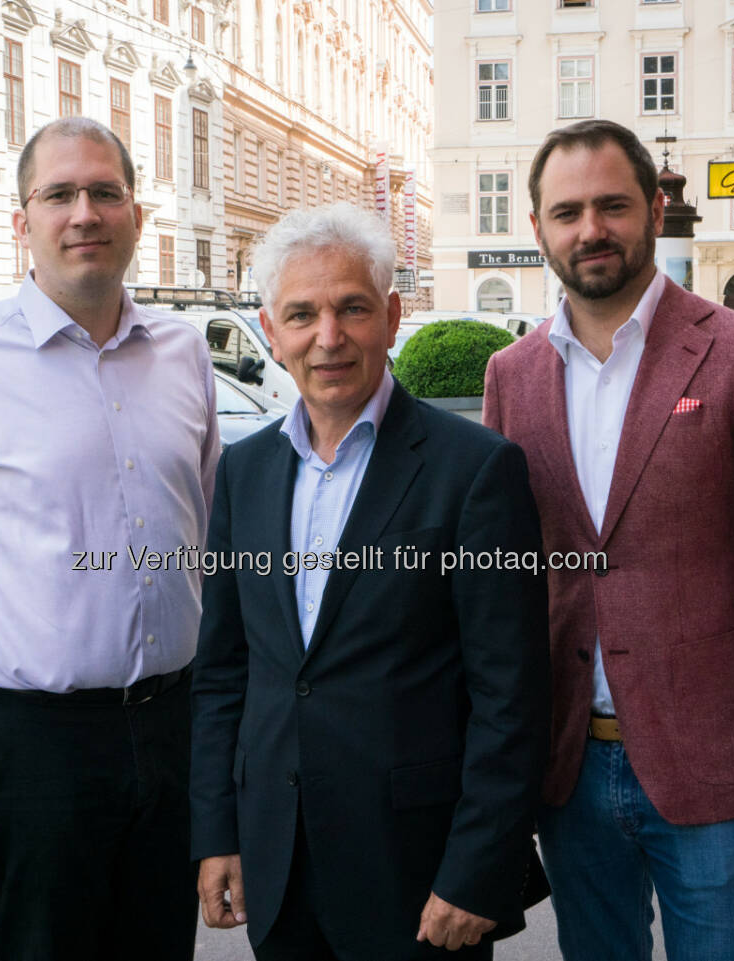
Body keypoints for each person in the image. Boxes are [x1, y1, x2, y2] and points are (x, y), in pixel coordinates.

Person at [482, 119, 734, 961]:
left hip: (717, 775)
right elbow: (505, 586)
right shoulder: (512, 375)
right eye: (566, 212)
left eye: (612, 205)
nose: (590, 229)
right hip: (570, 771)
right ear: (537, 228)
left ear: (653, 208)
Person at [0, 117, 218, 961]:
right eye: (59, 194)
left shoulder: (185, 351)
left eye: (105, 192)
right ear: (21, 221)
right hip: (35, 752)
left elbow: (210, 543)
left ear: (137, 215)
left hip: (175, 729)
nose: (84, 213)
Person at [190, 203, 550, 961]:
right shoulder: (245, 472)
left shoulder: (474, 469)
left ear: (390, 315)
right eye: (302, 314)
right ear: (270, 328)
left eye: (352, 307)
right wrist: (219, 831)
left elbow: (511, 694)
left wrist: (478, 871)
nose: (329, 337)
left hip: (417, 878)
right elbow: (224, 672)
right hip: (279, 867)